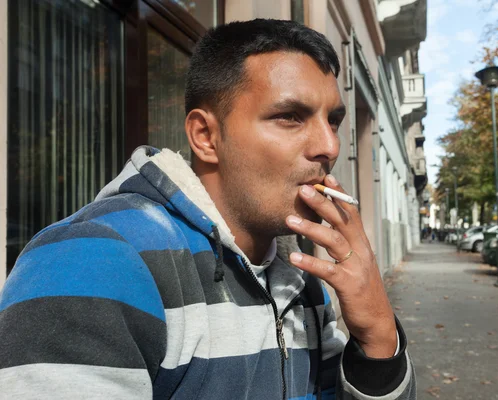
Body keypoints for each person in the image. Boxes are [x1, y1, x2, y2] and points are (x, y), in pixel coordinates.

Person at [0, 19, 415, 399]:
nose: (329, 146)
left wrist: (379, 336)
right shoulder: (93, 260)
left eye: (334, 120)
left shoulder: (303, 282)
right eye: (290, 116)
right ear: (205, 136)